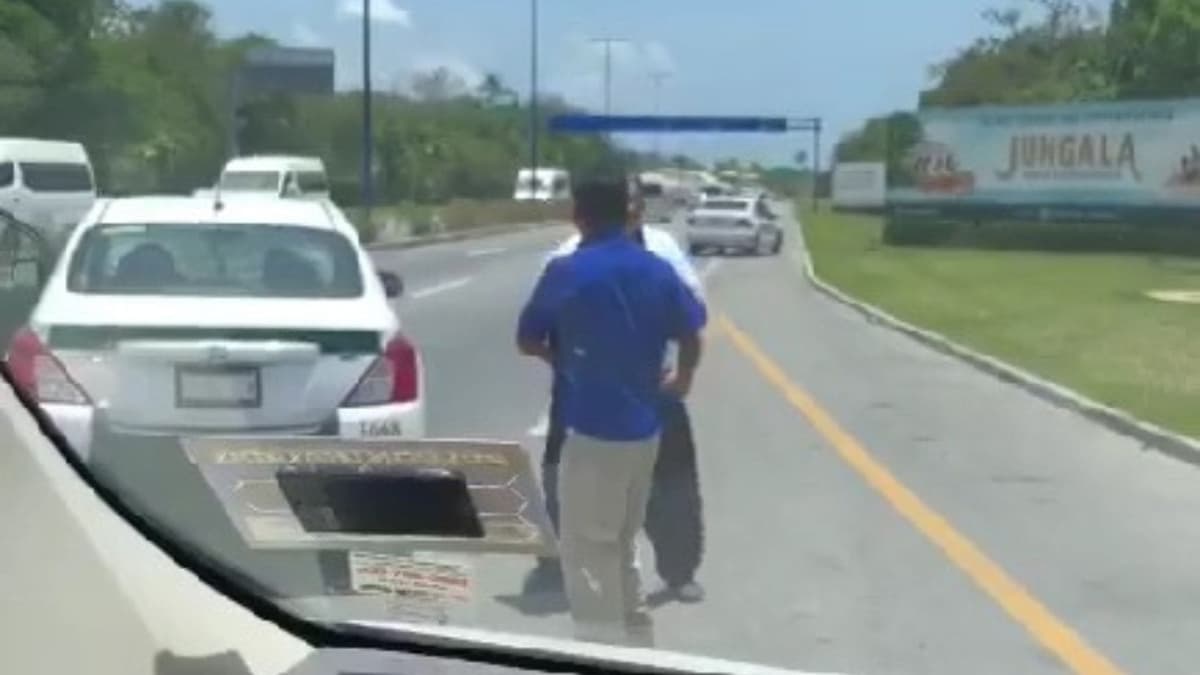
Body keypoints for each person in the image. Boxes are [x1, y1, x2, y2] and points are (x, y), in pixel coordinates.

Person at [516, 172, 706, 646]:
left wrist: (566, 363)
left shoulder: (567, 268)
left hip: (592, 430)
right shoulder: (657, 266)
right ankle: (638, 638)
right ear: (629, 213)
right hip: (646, 427)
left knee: (587, 550)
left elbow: (527, 339)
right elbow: (691, 330)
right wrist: (682, 379)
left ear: (578, 215)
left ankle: (601, 648)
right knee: (621, 543)